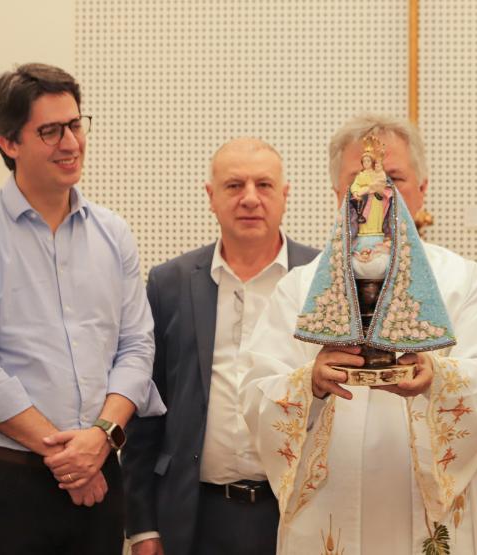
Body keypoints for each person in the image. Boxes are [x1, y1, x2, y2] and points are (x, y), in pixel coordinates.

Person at [237, 113, 477, 554]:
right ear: (336, 195)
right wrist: (309, 381)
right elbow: (255, 394)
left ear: (422, 190)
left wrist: (436, 377)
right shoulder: (299, 288)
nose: (379, 193)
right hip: (330, 506)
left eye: (395, 178)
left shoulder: (463, 281)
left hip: (428, 513)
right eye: (360, 181)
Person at [0, 63, 163, 555]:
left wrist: (99, 440)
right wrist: (68, 458)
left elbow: (137, 346)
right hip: (6, 485)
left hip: (101, 473)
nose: (71, 143)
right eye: (51, 131)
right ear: (8, 142)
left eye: (76, 125)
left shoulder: (113, 234)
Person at [120, 138, 319, 555]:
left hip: (298, 515)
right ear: (210, 197)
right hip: (195, 518)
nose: (249, 198)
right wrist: (141, 526)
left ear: (285, 195)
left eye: (264, 185)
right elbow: (145, 409)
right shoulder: (169, 284)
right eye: (233, 186)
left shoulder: (321, 280)